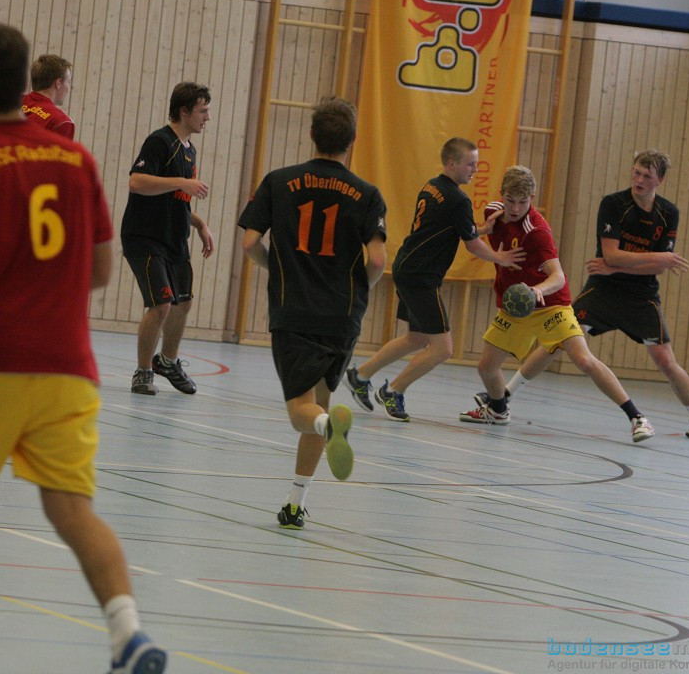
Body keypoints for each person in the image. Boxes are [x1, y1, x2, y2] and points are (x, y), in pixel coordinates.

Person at [0, 24, 165, 673]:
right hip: (68, 367)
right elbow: (98, 271)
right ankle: (128, 631)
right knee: (71, 508)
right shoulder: (78, 159)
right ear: (29, 79)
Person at [477, 150, 689, 440]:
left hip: (629, 295)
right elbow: (618, 255)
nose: (639, 179)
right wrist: (653, 259)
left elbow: (580, 271)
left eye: (647, 176)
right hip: (599, 289)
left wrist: (619, 266)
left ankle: (684, 418)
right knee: (539, 352)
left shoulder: (538, 231)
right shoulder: (615, 204)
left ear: (660, 180)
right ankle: (502, 402)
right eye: (636, 172)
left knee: (655, 359)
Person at [239, 97, 387, 531]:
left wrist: (276, 267)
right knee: (320, 401)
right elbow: (377, 261)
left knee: (302, 413)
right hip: (342, 317)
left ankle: (328, 424)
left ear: (311, 135)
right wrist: (360, 289)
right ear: (352, 140)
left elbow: (249, 244)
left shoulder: (278, 181)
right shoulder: (368, 194)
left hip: (294, 309)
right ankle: (295, 502)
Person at [458, 166, 656, 443]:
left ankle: (637, 417)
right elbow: (473, 238)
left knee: (583, 360)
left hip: (549, 304)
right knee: (486, 368)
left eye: (523, 202)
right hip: (515, 308)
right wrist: (483, 232)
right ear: (501, 195)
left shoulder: (537, 232)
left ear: (533, 198)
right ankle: (499, 410)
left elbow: (558, 276)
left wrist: (536, 291)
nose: (515, 208)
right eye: (510, 200)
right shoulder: (492, 211)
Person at [343, 137, 524, 421]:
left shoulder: (433, 186)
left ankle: (360, 375)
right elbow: (471, 245)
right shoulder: (458, 199)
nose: (475, 170)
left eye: (476, 164)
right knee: (443, 348)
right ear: (452, 164)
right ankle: (393, 390)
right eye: (470, 164)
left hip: (408, 266)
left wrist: (482, 229)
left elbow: (448, 228)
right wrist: (500, 259)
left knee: (416, 337)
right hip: (421, 277)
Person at [121, 82, 215, 395]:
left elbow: (173, 198)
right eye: (202, 110)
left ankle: (168, 361)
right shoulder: (160, 142)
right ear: (184, 111)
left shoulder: (190, 149)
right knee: (160, 304)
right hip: (145, 237)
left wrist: (197, 222)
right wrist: (181, 182)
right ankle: (143, 371)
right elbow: (137, 182)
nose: (207, 117)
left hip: (174, 238)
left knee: (183, 303)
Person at [21, 54, 75, 139]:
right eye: (68, 81)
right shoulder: (61, 122)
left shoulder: (12, 103)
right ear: (58, 83)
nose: (69, 88)